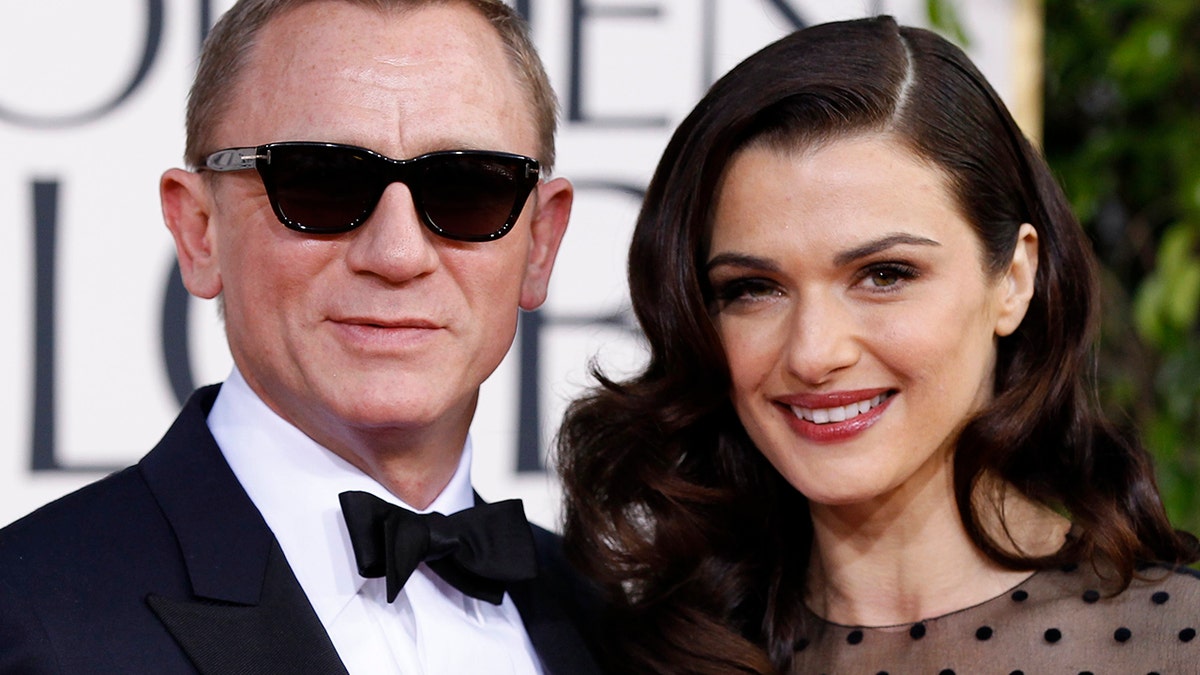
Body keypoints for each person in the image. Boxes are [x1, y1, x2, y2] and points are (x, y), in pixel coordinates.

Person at [557, 15, 1200, 675]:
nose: (813, 352)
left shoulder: (1178, 640)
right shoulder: (642, 652)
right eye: (754, 288)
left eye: (884, 275)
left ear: (1013, 278)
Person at [0, 1, 603, 673]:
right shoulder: (23, 618)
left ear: (541, 244)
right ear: (199, 230)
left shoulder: (621, 626)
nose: (398, 255)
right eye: (321, 184)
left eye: (467, 190)